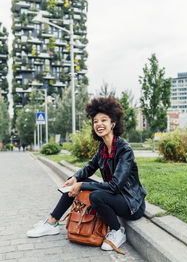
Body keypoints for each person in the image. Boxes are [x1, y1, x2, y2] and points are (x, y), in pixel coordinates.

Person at [27, 96, 147, 252]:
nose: (99, 124)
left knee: (95, 196)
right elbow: (90, 167)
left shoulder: (124, 150)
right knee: (75, 181)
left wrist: (82, 185)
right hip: (115, 195)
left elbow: (115, 186)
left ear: (113, 124)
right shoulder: (103, 147)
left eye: (104, 120)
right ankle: (52, 223)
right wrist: (75, 179)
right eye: (96, 121)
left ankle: (117, 231)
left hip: (130, 203)